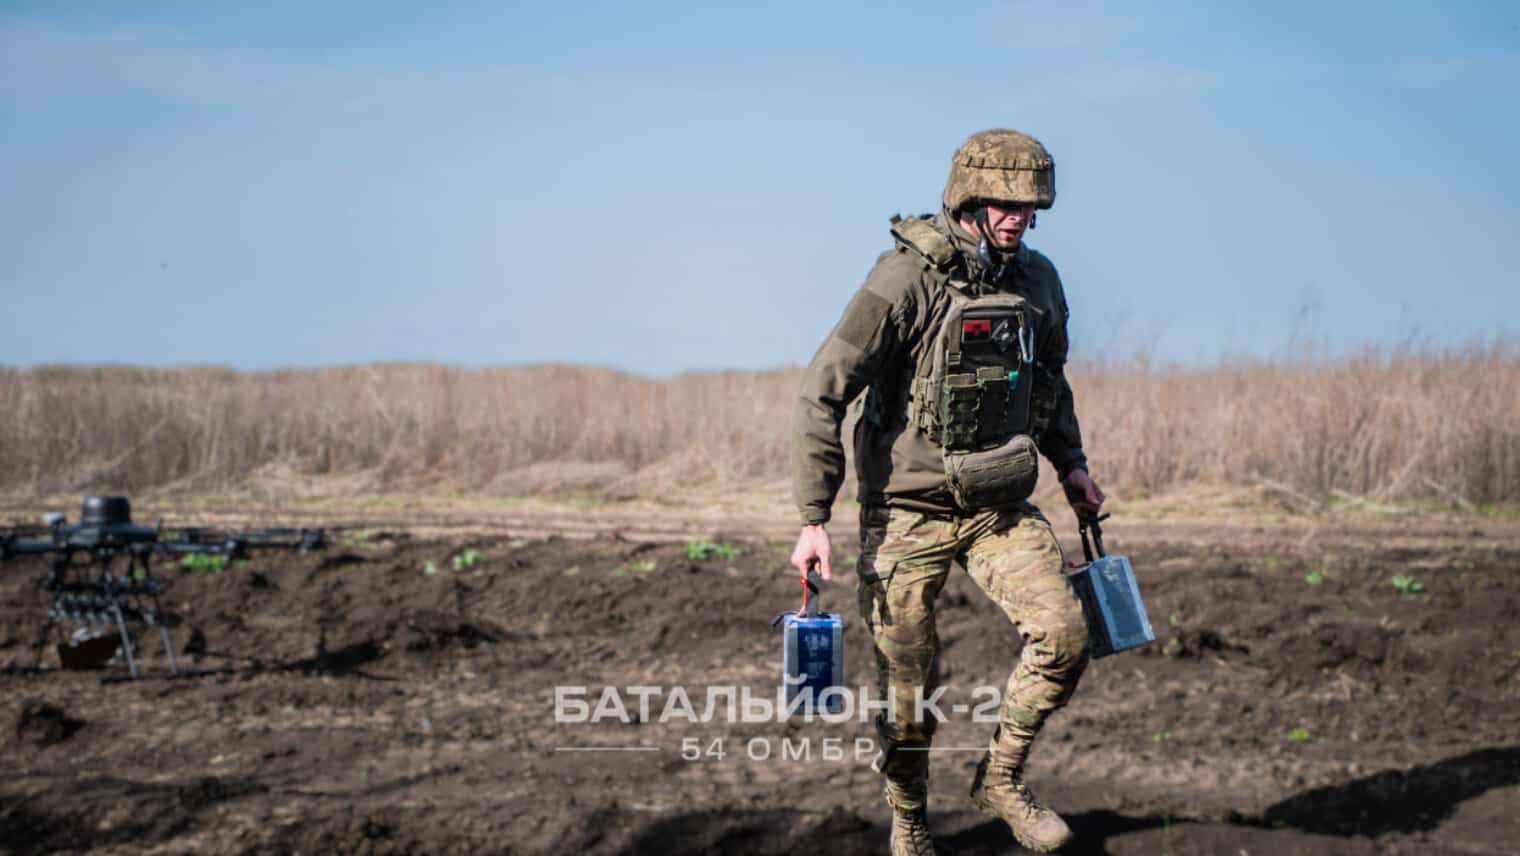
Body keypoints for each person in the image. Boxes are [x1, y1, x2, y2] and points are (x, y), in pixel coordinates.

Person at [789, 128, 1105, 854]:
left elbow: (1049, 384)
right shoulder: (906, 279)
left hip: (997, 504)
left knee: (1064, 637)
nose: (1019, 218)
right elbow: (820, 393)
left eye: (1030, 206)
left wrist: (1074, 467)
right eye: (1004, 204)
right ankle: (910, 824)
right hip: (906, 514)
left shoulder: (1039, 281)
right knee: (908, 694)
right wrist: (814, 516)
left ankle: (1000, 776)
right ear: (968, 199)